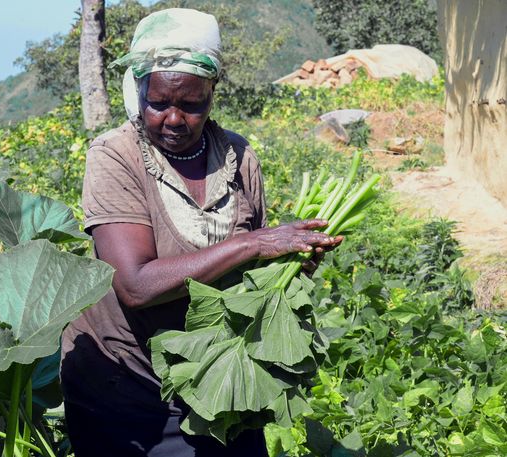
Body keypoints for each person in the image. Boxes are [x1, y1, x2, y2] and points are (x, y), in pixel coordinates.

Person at [60, 8, 342, 457]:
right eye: (159, 104)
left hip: (219, 372)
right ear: (138, 94)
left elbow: (249, 273)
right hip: (129, 384)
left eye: (191, 105)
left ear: (212, 95)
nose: (174, 119)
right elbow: (135, 285)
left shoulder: (238, 154)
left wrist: (292, 259)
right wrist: (253, 244)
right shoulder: (115, 156)